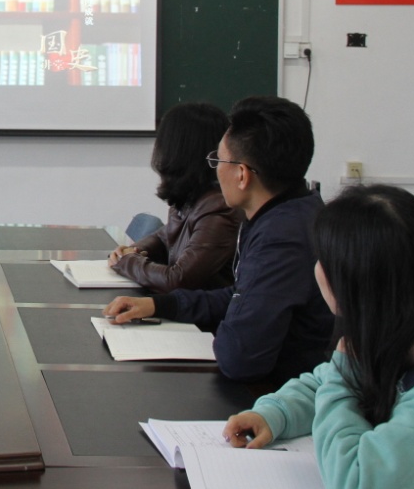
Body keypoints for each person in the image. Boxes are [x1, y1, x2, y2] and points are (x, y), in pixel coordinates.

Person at [223, 185, 414, 489]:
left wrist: (342, 373)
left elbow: (355, 479)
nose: (317, 268)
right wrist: (276, 413)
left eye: (322, 259)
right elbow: (329, 380)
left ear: (351, 282)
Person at [103, 96, 335, 388]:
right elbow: (239, 295)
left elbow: (239, 359)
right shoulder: (290, 212)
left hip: (275, 392)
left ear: (242, 174)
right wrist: (159, 305)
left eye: (218, 160)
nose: (215, 170)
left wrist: (221, 327)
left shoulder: (281, 240)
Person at [108, 102, 240, 292]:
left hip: (199, 310)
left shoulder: (219, 207)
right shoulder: (189, 196)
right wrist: (134, 250)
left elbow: (178, 280)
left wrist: (127, 261)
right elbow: (164, 237)